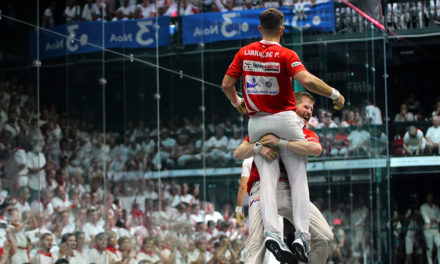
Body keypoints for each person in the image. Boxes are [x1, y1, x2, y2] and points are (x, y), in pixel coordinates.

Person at [222, 8, 344, 262]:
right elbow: (307, 80)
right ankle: (301, 235)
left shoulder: (244, 52)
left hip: (257, 122)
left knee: (267, 178)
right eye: (307, 107)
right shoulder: (286, 53)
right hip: (283, 119)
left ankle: (273, 235)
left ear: (259, 29)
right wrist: (334, 94)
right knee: (299, 177)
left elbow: (226, 85)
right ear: (282, 29)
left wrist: (238, 103)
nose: (309, 112)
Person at [234, 92, 333, 264]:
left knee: (326, 237)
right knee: (256, 247)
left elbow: (315, 148)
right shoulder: (267, 128)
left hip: (292, 193)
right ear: (292, 107)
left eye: (311, 109)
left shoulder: (305, 132)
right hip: (261, 192)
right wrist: (258, 147)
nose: (310, 112)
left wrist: (280, 143)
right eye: (306, 107)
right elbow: (239, 152)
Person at [420, 193, 440, 264]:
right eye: (428, 197)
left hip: (435, 229)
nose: (430, 198)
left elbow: (439, 218)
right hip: (427, 229)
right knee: (429, 248)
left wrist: (435, 220)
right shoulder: (423, 207)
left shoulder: (436, 207)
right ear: (426, 198)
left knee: (439, 245)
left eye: (431, 197)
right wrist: (430, 221)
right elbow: (424, 216)